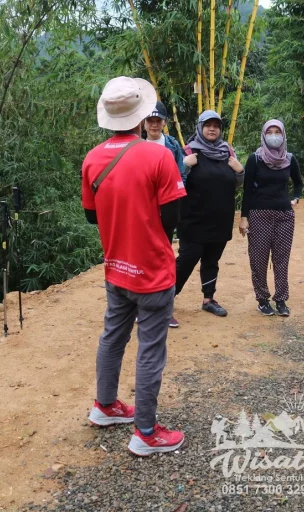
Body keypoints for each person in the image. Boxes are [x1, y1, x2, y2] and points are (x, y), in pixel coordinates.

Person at [81, 76, 186, 456]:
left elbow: (91, 217)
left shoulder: (92, 159)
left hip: (115, 266)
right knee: (150, 349)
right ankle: (146, 432)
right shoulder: (159, 157)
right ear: (142, 117)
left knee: (113, 336)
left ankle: (106, 405)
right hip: (152, 270)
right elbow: (172, 216)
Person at [174, 110, 244, 324]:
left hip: (220, 219)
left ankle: (208, 299)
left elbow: (236, 183)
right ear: (200, 127)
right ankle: (163, 300)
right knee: (187, 260)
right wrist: (184, 165)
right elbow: (174, 181)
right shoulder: (188, 151)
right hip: (193, 219)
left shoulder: (227, 152)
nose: (212, 129)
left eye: (216, 126)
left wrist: (240, 172)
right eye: (208, 125)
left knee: (212, 260)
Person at [239, 120, 303, 317]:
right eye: (270, 132)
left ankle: (281, 300)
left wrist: (296, 198)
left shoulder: (289, 159)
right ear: (263, 135)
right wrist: (244, 217)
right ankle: (262, 300)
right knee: (258, 259)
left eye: (277, 132)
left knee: (281, 259)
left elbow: (298, 182)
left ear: (283, 135)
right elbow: (247, 190)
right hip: (258, 215)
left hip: (285, 216)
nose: (274, 135)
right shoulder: (255, 159)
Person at [144, 101, 186, 180]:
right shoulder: (137, 146)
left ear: (165, 122)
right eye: (150, 120)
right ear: (143, 122)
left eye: (158, 120)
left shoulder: (173, 145)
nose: (154, 125)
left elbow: (181, 175)